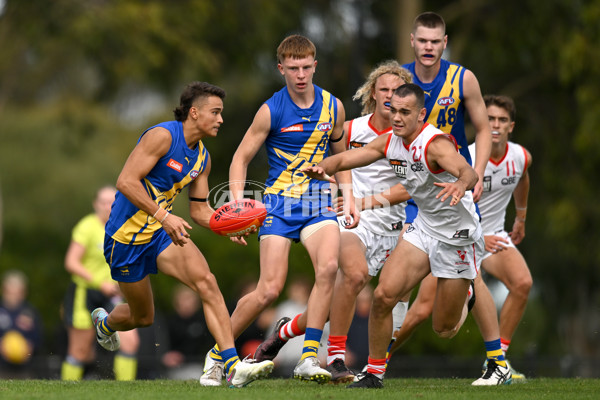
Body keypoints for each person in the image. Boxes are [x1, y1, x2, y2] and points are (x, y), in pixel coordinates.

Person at [303, 83, 511, 388]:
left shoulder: (435, 144)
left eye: (405, 112)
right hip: (425, 228)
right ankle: (374, 373)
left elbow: (468, 173)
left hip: (457, 236)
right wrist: (323, 166)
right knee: (383, 296)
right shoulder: (389, 141)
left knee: (443, 327)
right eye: (393, 110)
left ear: (421, 114)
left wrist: (459, 185)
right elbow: (348, 158)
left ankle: (471, 300)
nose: (397, 117)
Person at [200, 34, 359, 386]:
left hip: (318, 203)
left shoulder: (333, 107)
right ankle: (217, 354)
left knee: (329, 268)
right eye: (293, 68)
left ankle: (307, 358)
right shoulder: (271, 110)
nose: (300, 74)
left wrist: (347, 195)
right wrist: (239, 205)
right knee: (269, 290)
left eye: (306, 67)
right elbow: (240, 159)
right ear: (281, 69)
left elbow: (342, 157)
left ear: (315, 65)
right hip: (279, 205)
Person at [95, 81, 274, 388]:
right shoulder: (162, 136)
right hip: (124, 241)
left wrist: (225, 226)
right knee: (142, 317)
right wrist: (164, 216)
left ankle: (228, 365)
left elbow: (199, 210)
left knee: (207, 282)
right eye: (215, 112)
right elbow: (126, 181)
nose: (220, 119)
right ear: (194, 113)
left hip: (161, 234)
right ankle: (105, 324)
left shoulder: (202, 158)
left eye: (221, 113)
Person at [251, 60, 413, 384]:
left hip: (393, 227)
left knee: (392, 305)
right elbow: (324, 162)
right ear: (373, 93)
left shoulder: (413, 137)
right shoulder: (352, 129)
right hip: (352, 220)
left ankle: (286, 331)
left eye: (397, 91)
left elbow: (410, 188)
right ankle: (337, 358)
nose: (390, 96)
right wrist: (335, 193)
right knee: (352, 276)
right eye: (384, 89)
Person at [383, 13, 510, 385]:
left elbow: (483, 128)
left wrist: (478, 172)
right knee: (396, 285)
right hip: (413, 189)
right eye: (422, 40)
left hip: (451, 191)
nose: (428, 47)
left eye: (435, 42)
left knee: (473, 277)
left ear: (445, 42)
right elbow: (382, 131)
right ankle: (374, 360)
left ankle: (496, 360)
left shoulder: (462, 78)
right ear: (412, 41)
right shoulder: (399, 81)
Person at [468, 94, 533, 379]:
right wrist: (478, 239)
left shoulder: (521, 156)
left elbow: (522, 177)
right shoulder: (467, 156)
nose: (495, 125)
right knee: (434, 317)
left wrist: (521, 216)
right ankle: (379, 362)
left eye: (502, 120)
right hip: (460, 239)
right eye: (490, 118)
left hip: (494, 237)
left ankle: (497, 361)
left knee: (523, 283)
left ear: (511, 126)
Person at [61, 186, 140, 381]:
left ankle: (127, 391)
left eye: (111, 202)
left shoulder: (126, 226)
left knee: (130, 341)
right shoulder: (86, 227)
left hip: (113, 295)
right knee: (80, 350)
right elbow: (71, 262)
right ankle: (64, 391)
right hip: (85, 293)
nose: (107, 206)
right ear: (95, 204)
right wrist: (99, 282)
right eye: (103, 202)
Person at [161, 284, 211, 380]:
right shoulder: (168, 322)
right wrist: (166, 356)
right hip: (172, 368)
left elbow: (205, 346)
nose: (186, 304)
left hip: (197, 366)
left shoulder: (204, 322)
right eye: (183, 300)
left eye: (189, 300)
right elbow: (161, 345)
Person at [0, 270, 42, 378]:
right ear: (3, 290)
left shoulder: (31, 312)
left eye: (17, 292)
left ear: (24, 292)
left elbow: (39, 338)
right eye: (10, 292)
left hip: (25, 368)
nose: (14, 296)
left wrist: (30, 346)